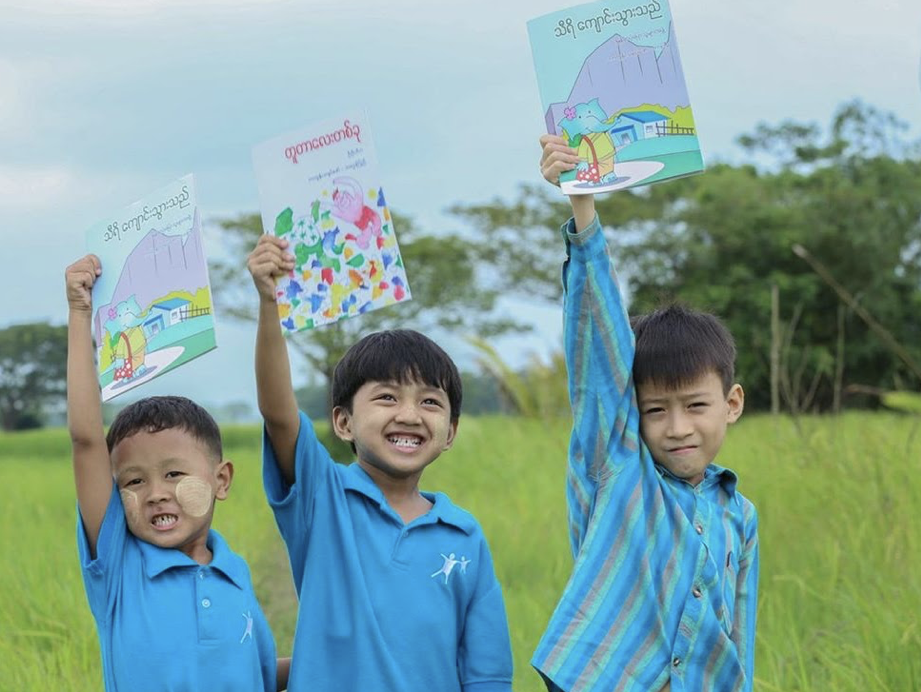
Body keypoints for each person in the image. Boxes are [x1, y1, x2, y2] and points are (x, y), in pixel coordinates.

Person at [530, 135, 760, 692]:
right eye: (655, 410)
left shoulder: (740, 515)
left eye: (696, 406)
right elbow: (600, 366)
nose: (677, 427)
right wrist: (583, 207)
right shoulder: (618, 471)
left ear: (731, 405)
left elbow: (738, 630)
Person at [246, 237, 514, 691]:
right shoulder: (322, 499)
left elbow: (486, 671)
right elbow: (278, 414)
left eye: (430, 402)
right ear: (343, 422)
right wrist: (269, 303)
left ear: (450, 432)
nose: (409, 415)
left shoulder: (465, 536)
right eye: (387, 397)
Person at [65, 254, 288, 692]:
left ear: (221, 480)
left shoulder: (234, 574)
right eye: (133, 481)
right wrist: (79, 315)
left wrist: (341, 657)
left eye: (173, 474)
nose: (155, 494)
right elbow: (86, 440)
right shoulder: (119, 569)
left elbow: (260, 675)